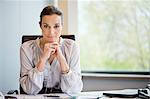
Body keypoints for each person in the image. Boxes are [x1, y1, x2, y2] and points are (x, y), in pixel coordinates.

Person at [20, 5, 83, 95]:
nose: (51, 32)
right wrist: (43, 59)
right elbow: (29, 90)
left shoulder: (72, 47)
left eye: (56, 26)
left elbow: (75, 89)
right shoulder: (26, 48)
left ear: (62, 26)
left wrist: (61, 58)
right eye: (46, 26)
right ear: (40, 26)